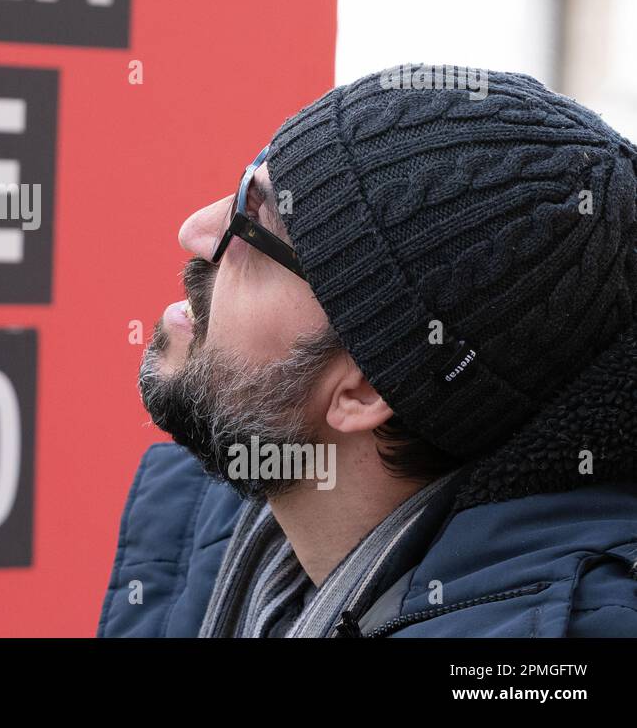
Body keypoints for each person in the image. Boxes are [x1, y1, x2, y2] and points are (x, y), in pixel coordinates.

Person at [99, 66, 637, 637]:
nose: (196, 231)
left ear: (362, 390)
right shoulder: (210, 533)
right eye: (244, 185)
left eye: (255, 230)